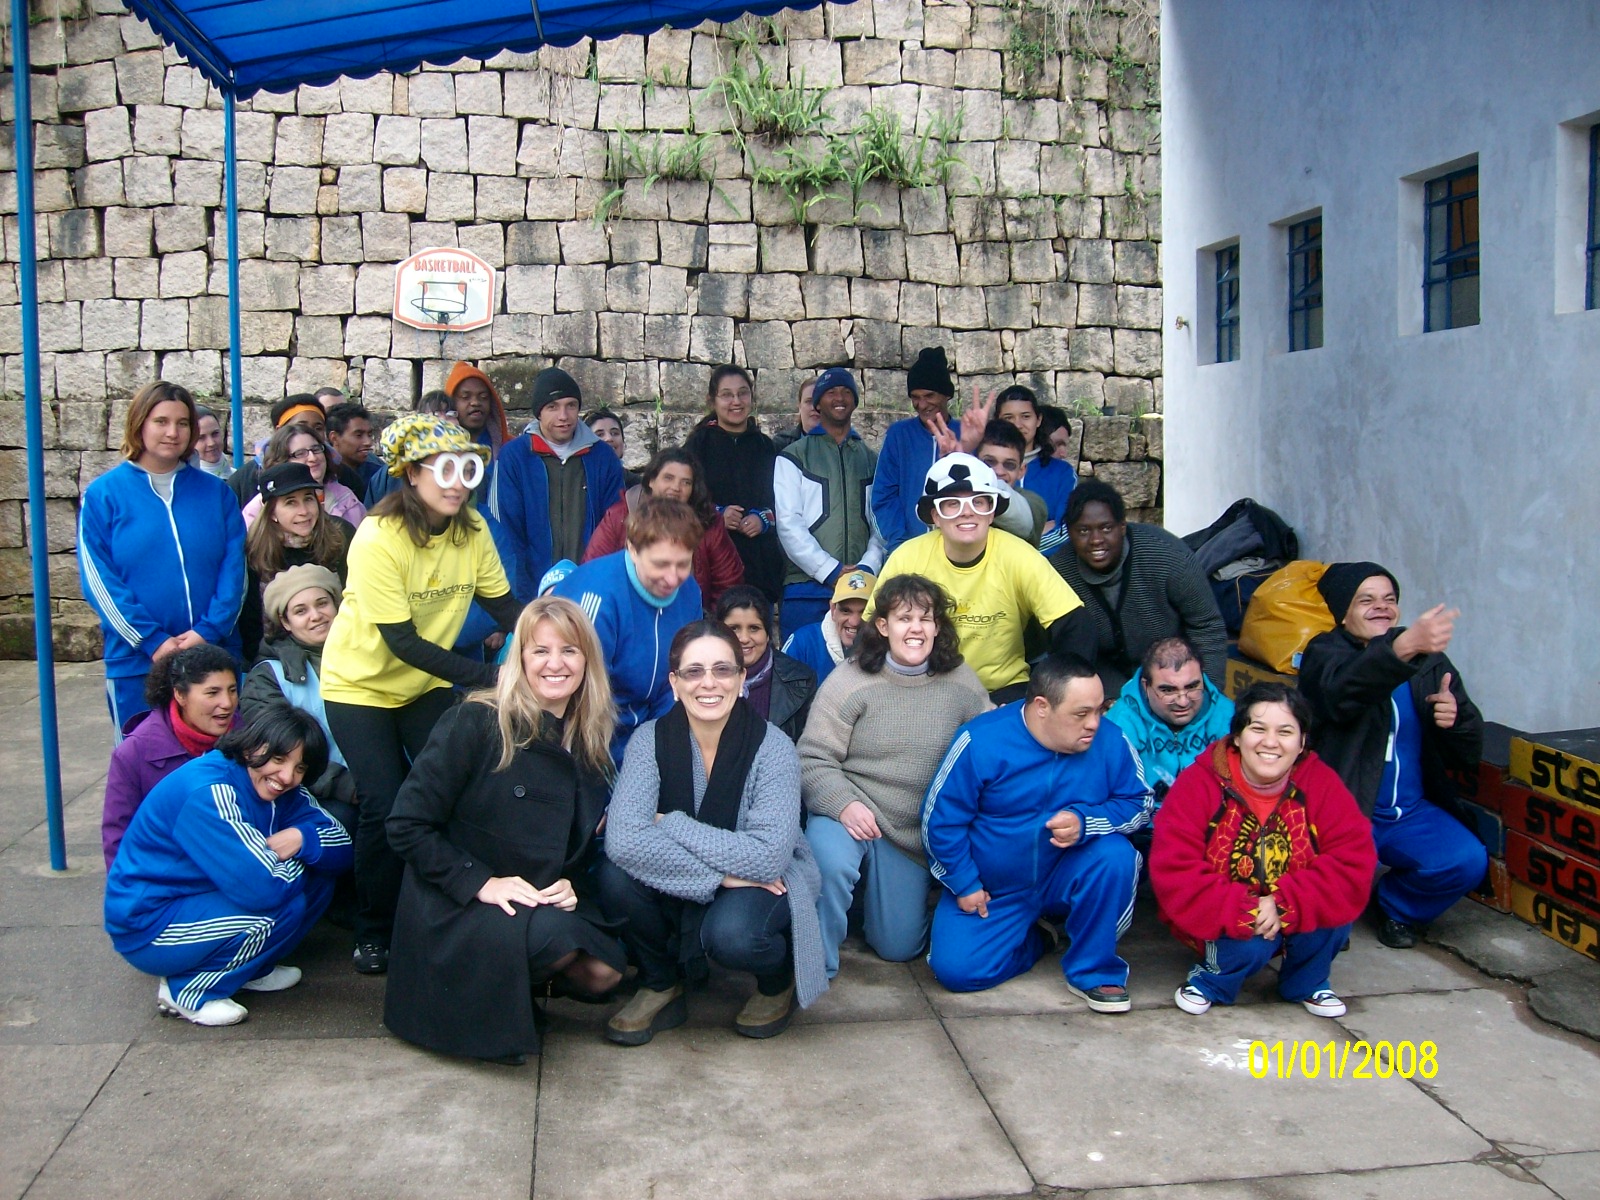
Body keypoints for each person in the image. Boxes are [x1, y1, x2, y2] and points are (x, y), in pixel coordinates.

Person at [320, 414, 522, 975]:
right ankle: (373, 926)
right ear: (411, 474)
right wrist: (495, 678)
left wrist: (548, 642)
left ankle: (444, 905)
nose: (458, 483)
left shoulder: (473, 530)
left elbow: (506, 608)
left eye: (468, 469)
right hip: (359, 686)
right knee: (387, 802)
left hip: (423, 686)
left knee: (447, 792)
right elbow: (403, 642)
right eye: (444, 471)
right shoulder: (378, 538)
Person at [385, 597, 627, 1065]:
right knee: (561, 943)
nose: (555, 664)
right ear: (518, 659)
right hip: (456, 904)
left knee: (605, 973)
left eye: (570, 651)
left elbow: (564, 848)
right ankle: (469, 1002)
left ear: (587, 662)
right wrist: (481, 883)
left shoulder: (589, 742)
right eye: (540, 651)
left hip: (528, 900)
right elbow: (406, 825)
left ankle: (510, 987)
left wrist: (568, 887)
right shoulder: (474, 721)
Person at [599, 621, 826, 1043]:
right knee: (613, 877)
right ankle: (661, 981)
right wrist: (719, 876)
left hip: (771, 881)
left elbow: (766, 859)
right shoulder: (649, 740)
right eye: (694, 671)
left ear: (741, 678)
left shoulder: (774, 748)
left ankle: (778, 982)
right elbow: (624, 839)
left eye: (723, 670)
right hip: (728, 872)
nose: (709, 683)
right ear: (675, 681)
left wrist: (672, 823)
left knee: (734, 936)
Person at [922, 654, 1153, 1011]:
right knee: (956, 971)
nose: (1094, 723)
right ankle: (1042, 938)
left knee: (1116, 855)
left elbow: (1140, 804)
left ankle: (1095, 970)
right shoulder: (981, 740)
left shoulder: (1112, 741)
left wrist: (1086, 821)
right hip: (994, 889)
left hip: (1067, 874)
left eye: (1099, 709)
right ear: (1042, 707)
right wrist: (964, 882)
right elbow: (940, 819)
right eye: (1081, 713)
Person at [103, 705, 352, 1027]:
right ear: (251, 747)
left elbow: (341, 844)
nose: (287, 776)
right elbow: (262, 889)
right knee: (277, 905)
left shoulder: (283, 790)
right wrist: (293, 861)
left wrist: (302, 838)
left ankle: (249, 970)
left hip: (197, 900)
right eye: (278, 759)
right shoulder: (211, 790)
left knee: (317, 879)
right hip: (148, 924)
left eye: (300, 767)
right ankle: (188, 992)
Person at [801, 574, 989, 977]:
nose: (916, 628)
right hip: (850, 812)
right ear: (883, 626)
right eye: (904, 618)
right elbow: (811, 759)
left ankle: (875, 912)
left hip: (910, 833)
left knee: (898, 947)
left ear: (938, 627)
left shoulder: (962, 683)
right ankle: (815, 968)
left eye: (926, 618)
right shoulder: (849, 681)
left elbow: (989, 749)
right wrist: (843, 804)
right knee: (829, 863)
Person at [1151, 683, 1376, 1018]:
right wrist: (1244, 908)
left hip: (1293, 906)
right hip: (1224, 912)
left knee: (1332, 919)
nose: (1271, 742)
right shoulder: (1200, 783)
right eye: (1258, 729)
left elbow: (1353, 858)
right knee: (1247, 947)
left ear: (1301, 743)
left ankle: (1308, 982)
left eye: (1285, 731)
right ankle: (1211, 980)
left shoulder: (1320, 782)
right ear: (1238, 737)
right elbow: (1174, 865)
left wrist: (1286, 901)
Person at [1298, 562, 1488, 950]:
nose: (1381, 607)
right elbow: (1340, 696)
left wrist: (1455, 718)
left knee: (1466, 859)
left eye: (1389, 599)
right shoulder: (1324, 653)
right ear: (1343, 613)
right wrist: (1403, 647)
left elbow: (1469, 751)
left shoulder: (1428, 662)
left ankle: (1397, 906)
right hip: (1344, 810)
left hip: (1409, 811)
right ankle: (1334, 915)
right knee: (1327, 933)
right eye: (1365, 600)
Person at [79, 380, 246, 733]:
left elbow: (235, 571)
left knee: (221, 766)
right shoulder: (103, 495)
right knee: (146, 767)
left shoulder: (217, 494)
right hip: (138, 664)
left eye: (182, 423)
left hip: (214, 660)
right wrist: (152, 641)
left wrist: (209, 630)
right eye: (161, 421)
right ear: (139, 424)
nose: (173, 432)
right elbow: (100, 581)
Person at [874, 454, 1093, 703]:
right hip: (924, 687)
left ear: (992, 513)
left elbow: (1076, 626)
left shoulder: (1019, 556)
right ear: (934, 515)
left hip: (1004, 691)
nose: (967, 513)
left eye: (979, 503)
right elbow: (872, 628)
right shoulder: (907, 558)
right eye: (952, 504)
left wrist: (1058, 693)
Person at [551, 496, 704, 760]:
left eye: (683, 564)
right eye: (661, 564)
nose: (672, 577)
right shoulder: (599, 597)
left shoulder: (689, 592)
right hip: (589, 731)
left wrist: (661, 745)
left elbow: (681, 674)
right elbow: (579, 697)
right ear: (632, 549)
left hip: (647, 727)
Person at [1048, 479, 1228, 695]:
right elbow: (1056, 647)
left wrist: (1207, 694)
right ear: (1069, 532)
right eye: (1083, 531)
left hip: (1175, 674)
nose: (1096, 540)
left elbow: (1206, 624)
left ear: (1122, 526)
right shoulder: (1058, 573)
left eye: (1106, 528)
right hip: (1105, 679)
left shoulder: (1168, 556)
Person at [489, 367, 627, 602]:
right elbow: (504, 531)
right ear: (538, 413)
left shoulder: (602, 457)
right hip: (529, 592)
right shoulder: (514, 456)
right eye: (553, 407)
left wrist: (601, 584)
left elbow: (616, 526)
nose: (563, 416)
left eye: (571, 405)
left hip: (591, 589)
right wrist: (517, 598)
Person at [774, 367, 887, 642]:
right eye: (831, 392)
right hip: (806, 589)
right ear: (818, 402)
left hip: (861, 591)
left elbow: (881, 522)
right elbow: (789, 524)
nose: (840, 398)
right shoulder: (792, 457)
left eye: (847, 391)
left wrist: (867, 568)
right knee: (802, 671)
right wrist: (830, 571)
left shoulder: (872, 460)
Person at [102, 643, 240, 868]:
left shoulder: (251, 738)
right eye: (212, 693)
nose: (227, 703)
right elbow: (118, 838)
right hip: (166, 880)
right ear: (180, 695)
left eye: (232, 690)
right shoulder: (133, 753)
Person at [240, 564, 355, 831]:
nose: (316, 616)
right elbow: (276, 752)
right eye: (301, 611)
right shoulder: (268, 677)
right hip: (309, 792)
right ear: (285, 622)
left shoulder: (369, 655)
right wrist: (347, 786)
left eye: (322, 603)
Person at [582, 448, 745, 613]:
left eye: (686, 482)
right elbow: (594, 571)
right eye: (668, 478)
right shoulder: (620, 516)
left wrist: (709, 627)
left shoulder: (708, 521)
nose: (676, 487)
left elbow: (728, 583)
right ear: (651, 481)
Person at [683, 365, 785, 604]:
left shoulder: (766, 447)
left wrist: (763, 520)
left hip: (760, 570)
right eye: (726, 395)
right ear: (713, 401)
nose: (736, 401)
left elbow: (783, 503)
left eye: (742, 393)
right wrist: (717, 514)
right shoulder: (697, 446)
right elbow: (682, 501)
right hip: (711, 569)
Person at [239, 463, 353, 661]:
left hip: (343, 649)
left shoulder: (341, 536)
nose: (304, 511)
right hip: (278, 657)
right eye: (291, 502)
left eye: (308, 499)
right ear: (272, 512)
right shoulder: (255, 551)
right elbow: (251, 621)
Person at [1106, 637, 1235, 806]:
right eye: (1168, 690)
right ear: (1146, 686)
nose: (1183, 701)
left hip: (1212, 821)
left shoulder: (1227, 715)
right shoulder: (1120, 722)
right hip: (1144, 825)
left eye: (1192, 687)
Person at [873, 346, 959, 553]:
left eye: (929, 395)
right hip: (908, 550)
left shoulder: (967, 435)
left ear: (946, 395)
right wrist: (900, 545)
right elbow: (883, 495)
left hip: (960, 551)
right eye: (915, 397)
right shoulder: (899, 436)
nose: (922, 404)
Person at [717, 584, 815, 742]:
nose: (744, 638)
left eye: (754, 628)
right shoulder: (698, 678)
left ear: (768, 634)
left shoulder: (800, 681)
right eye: (734, 628)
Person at [240, 422, 366, 529]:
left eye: (316, 449)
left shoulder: (347, 501)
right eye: (300, 453)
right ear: (281, 461)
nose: (312, 458)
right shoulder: (258, 509)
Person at [995, 384, 1077, 528]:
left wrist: (1024, 547)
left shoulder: (1062, 473)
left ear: (1038, 420)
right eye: (1009, 418)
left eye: (1025, 416)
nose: (1018, 425)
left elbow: (1067, 528)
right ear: (997, 420)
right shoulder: (983, 468)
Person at [226, 394, 327, 507]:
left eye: (318, 428)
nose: (309, 433)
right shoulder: (245, 479)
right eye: (301, 427)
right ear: (279, 431)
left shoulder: (339, 474)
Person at [780, 568, 874, 687]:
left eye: (864, 612)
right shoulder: (802, 643)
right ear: (833, 609)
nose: (854, 622)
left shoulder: (891, 651)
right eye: (846, 611)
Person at [975, 419, 1049, 548]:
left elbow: (1024, 524)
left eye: (1009, 465)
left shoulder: (1035, 504)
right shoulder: (960, 494)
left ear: (1021, 470)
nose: (999, 471)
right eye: (989, 462)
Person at [443, 361, 513, 460]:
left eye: (483, 397)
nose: (475, 403)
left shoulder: (513, 450)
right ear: (451, 403)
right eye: (465, 397)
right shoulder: (435, 451)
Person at [325, 402, 383, 501]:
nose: (368, 442)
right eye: (358, 435)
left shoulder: (379, 474)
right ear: (334, 438)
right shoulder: (321, 472)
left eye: (369, 434)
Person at [585, 408, 640, 488]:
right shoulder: (577, 483)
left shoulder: (638, 486)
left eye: (614, 433)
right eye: (600, 434)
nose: (609, 438)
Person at [771, 376, 818, 452]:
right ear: (799, 406)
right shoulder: (781, 445)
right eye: (809, 401)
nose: (814, 407)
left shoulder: (840, 444)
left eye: (818, 402)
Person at [189, 405, 229, 478]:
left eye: (215, 434)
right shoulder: (185, 482)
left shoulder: (240, 477)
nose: (211, 443)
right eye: (201, 438)